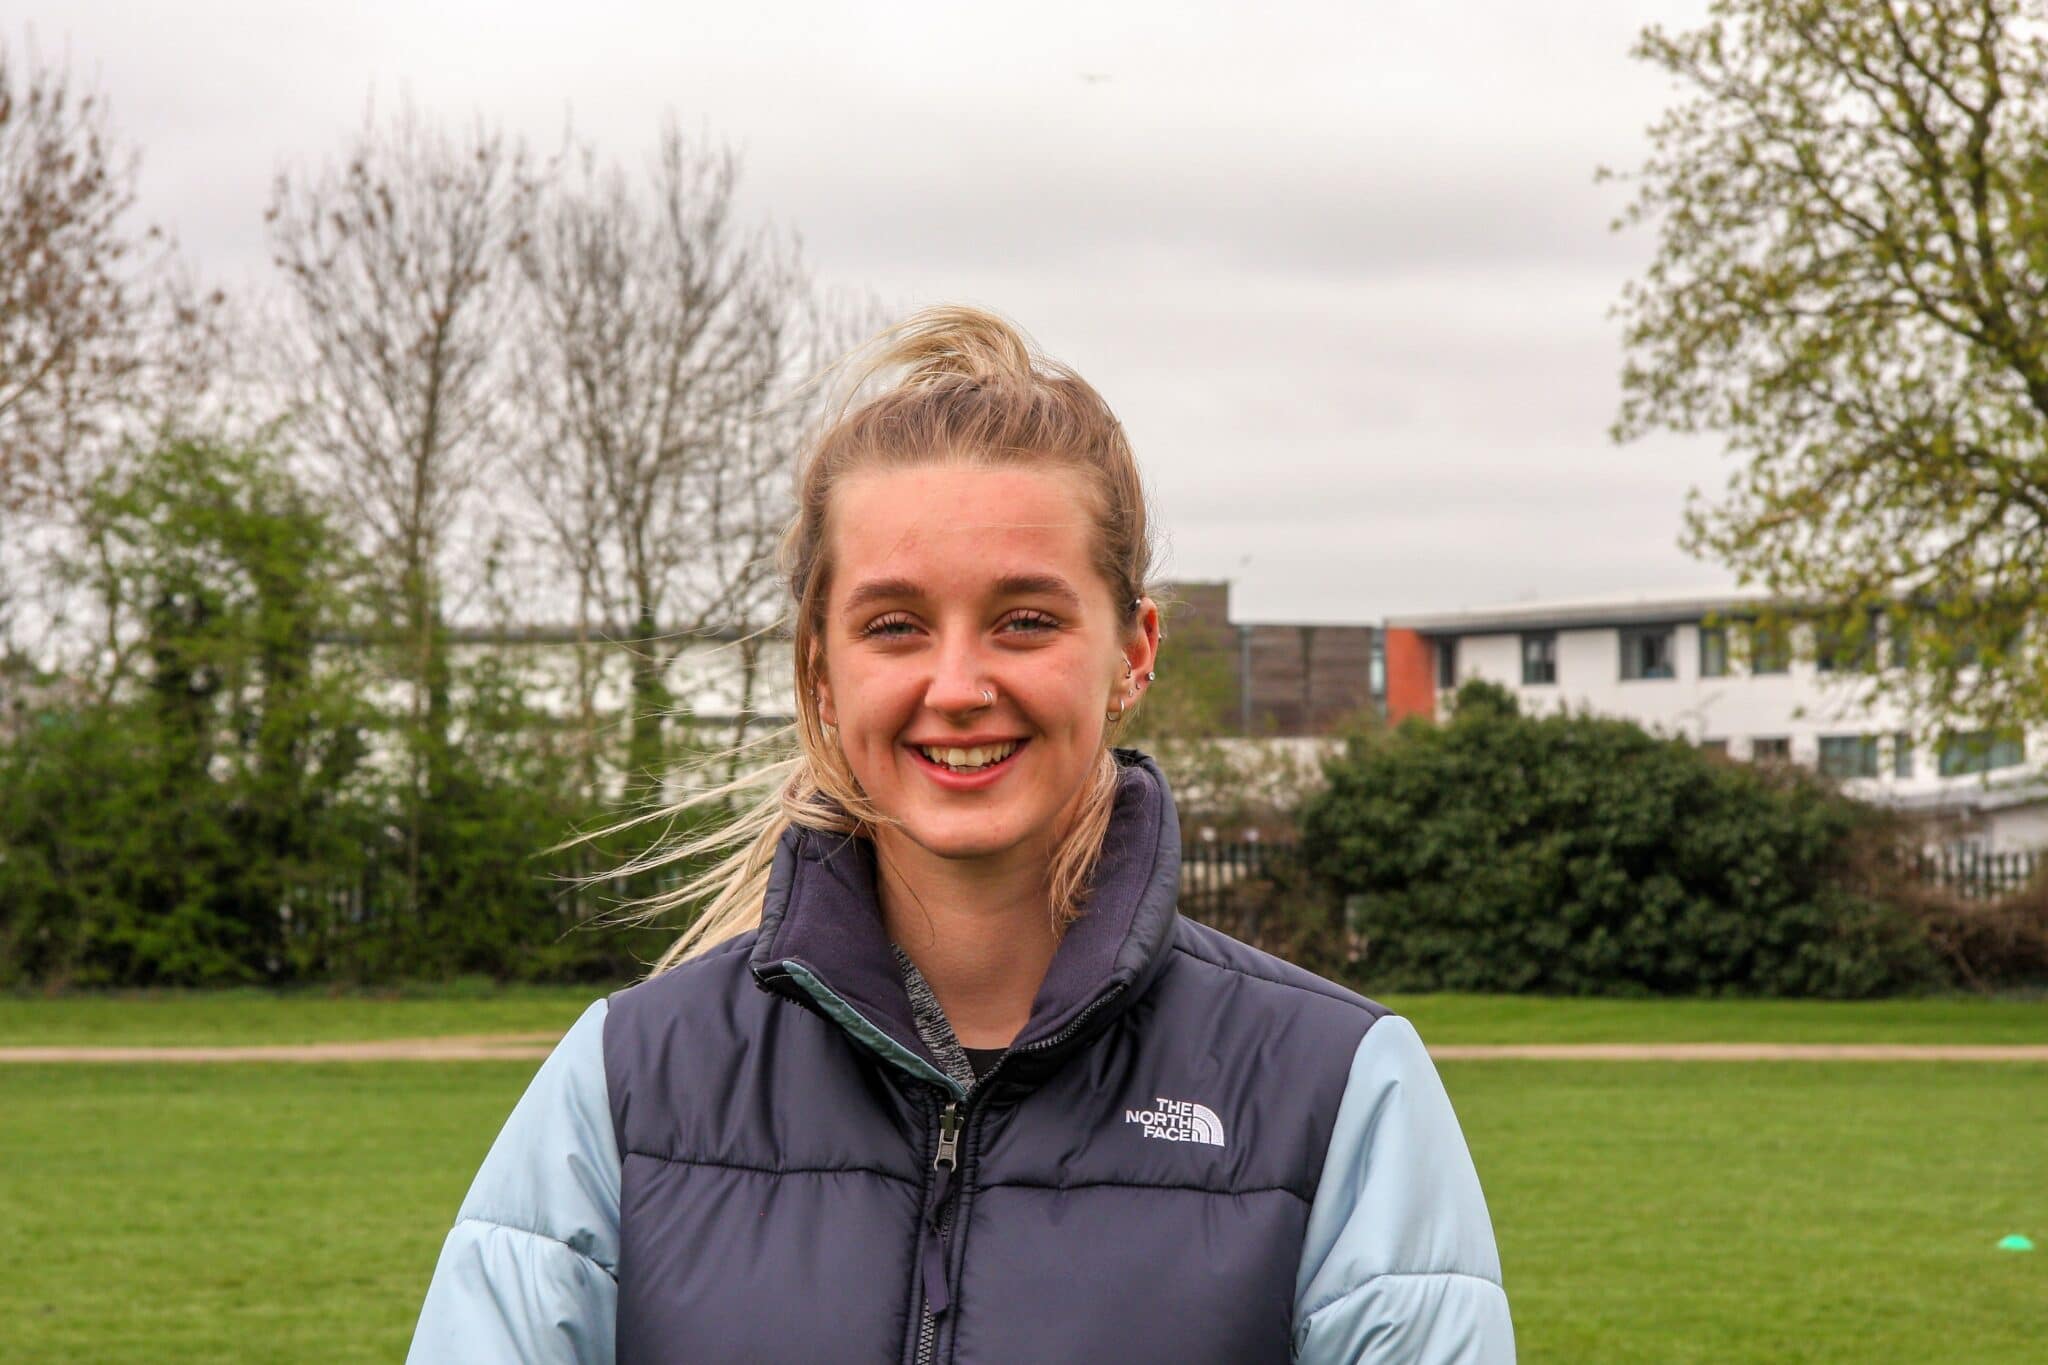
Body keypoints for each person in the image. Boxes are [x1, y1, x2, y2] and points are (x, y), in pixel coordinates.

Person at [407, 306, 1514, 1364]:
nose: (957, 684)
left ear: (1133, 651)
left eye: (1024, 620)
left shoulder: (1338, 1092)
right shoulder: (626, 1084)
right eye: (893, 626)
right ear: (819, 670)